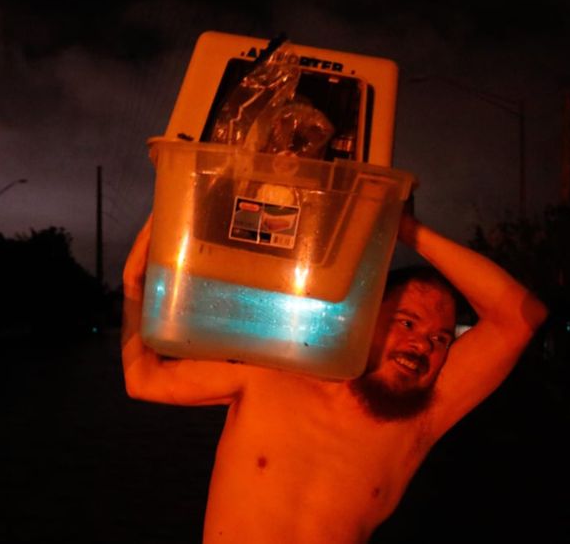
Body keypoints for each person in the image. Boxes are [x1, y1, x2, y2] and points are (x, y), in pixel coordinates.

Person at [120, 209, 548, 544]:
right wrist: (133, 287)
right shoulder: (272, 372)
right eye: (408, 323)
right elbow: (143, 378)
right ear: (362, 322)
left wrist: (406, 230)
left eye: (440, 338)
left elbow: (521, 317)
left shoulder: (420, 416)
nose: (424, 345)